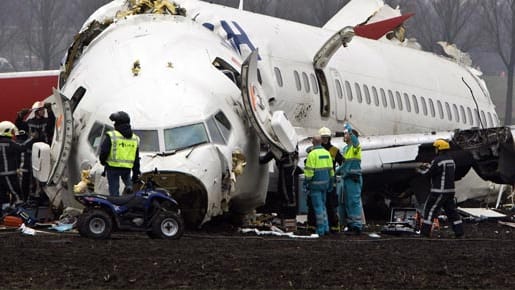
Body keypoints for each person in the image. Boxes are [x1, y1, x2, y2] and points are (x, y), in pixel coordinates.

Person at [417, 139, 464, 238]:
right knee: (452, 212)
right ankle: (459, 232)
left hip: (439, 191)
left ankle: (425, 233)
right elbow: (443, 172)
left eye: (436, 148)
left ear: (439, 149)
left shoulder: (437, 160)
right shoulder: (451, 160)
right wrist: (430, 166)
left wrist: (420, 170)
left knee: (430, 210)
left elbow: (429, 174)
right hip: (450, 191)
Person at [99, 111, 141, 197]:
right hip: (127, 168)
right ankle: (129, 186)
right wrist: (136, 173)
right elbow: (136, 158)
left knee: (114, 189)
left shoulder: (112, 135)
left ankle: (115, 204)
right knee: (126, 178)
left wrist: (103, 161)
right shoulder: (135, 138)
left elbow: (104, 151)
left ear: (117, 123)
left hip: (112, 167)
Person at [259, 147, 300, 225]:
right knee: (286, 192)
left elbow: (265, 159)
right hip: (288, 167)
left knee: (285, 193)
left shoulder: (277, 147)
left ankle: (287, 217)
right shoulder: (287, 145)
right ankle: (287, 216)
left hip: (285, 168)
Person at [303, 135, 334, 236]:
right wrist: (330, 183)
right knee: (323, 206)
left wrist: (306, 183)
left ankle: (320, 229)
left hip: (315, 185)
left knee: (318, 207)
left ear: (313, 142)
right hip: (325, 184)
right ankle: (326, 227)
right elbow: (331, 170)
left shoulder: (312, 154)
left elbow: (309, 173)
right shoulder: (327, 153)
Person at [336, 123, 364, 234]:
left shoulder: (355, 147)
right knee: (347, 203)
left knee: (353, 202)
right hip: (346, 179)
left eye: (346, 134)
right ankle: (350, 225)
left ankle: (357, 226)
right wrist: (336, 172)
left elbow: (356, 143)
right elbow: (344, 165)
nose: (344, 135)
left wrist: (350, 130)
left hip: (354, 179)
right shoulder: (346, 149)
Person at [0, 121, 27, 209]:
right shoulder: (9, 142)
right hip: (9, 173)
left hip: (1, 173)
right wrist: (32, 138)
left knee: (3, 194)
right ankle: (19, 210)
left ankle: (5, 212)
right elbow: (22, 147)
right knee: (15, 192)